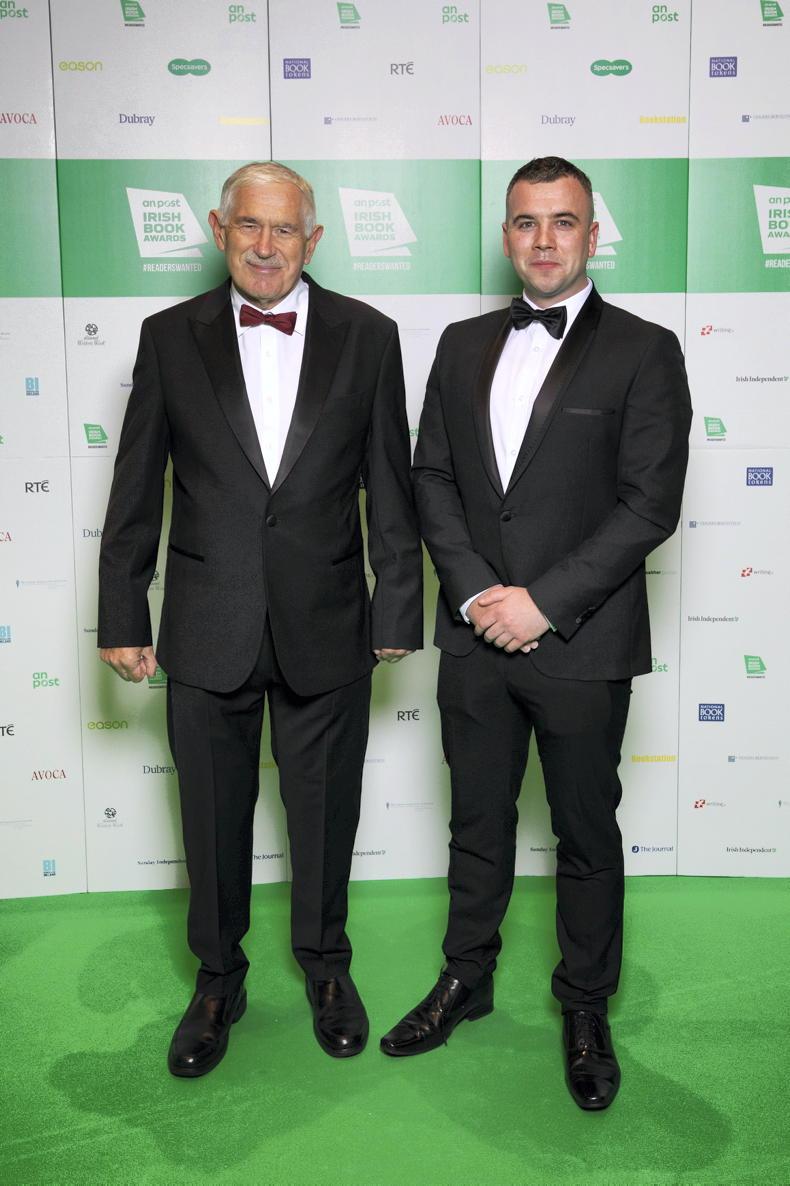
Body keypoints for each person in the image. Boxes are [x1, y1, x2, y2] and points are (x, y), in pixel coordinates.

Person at [379, 156, 691, 1110]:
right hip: (476, 638)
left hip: (581, 645)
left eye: (563, 221)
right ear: (507, 235)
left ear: (592, 235)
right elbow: (431, 477)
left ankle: (586, 1005)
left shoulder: (645, 349)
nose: (544, 239)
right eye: (526, 221)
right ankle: (465, 978)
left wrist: (543, 604)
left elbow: (649, 505)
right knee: (476, 825)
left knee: (585, 833)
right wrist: (479, 594)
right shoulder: (461, 344)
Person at [98, 161, 422, 1077]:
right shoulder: (168, 337)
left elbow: (390, 485)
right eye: (250, 225)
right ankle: (217, 980)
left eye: (285, 230)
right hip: (207, 623)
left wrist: (398, 604)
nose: (267, 246)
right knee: (210, 819)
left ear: (312, 240)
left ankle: (326, 968)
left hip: (331, 621)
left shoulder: (370, 335)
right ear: (219, 229)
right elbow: (135, 486)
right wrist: (122, 611)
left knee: (325, 814)